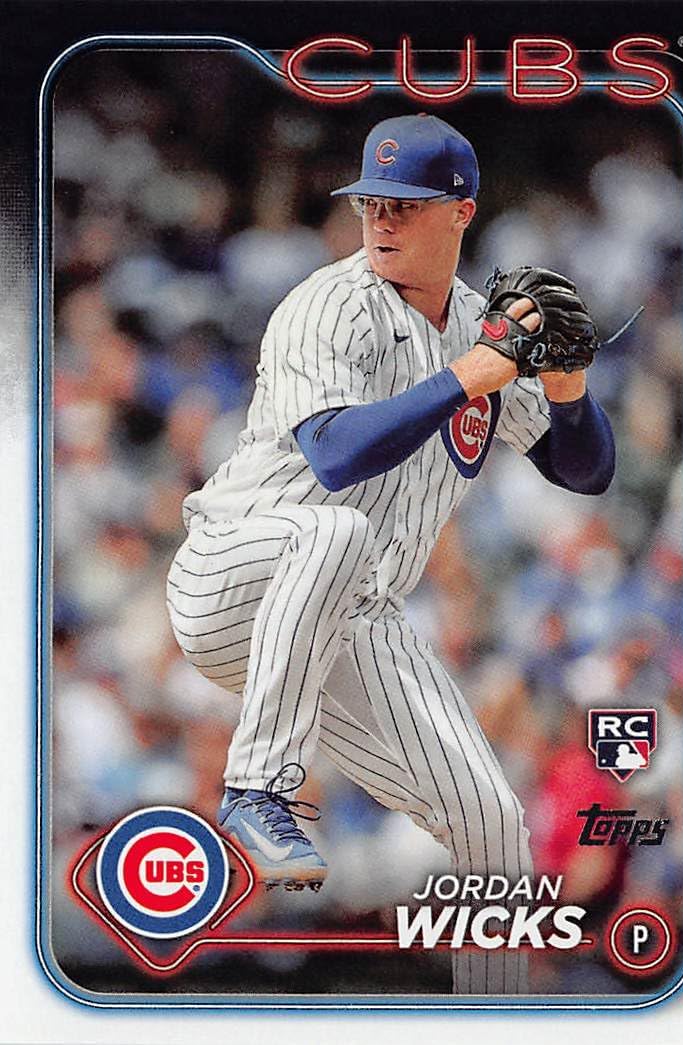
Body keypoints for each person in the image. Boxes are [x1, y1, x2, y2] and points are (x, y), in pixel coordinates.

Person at [166, 113, 614, 994]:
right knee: (336, 528)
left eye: (404, 205)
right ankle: (256, 790)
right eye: (372, 201)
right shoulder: (329, 304)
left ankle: (497, 1019)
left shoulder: (480, 325)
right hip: (233, 575)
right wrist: (467, 377)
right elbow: (335, 455)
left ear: (462, 211)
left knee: (491, 820)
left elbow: (584, 471)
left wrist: (569, 389)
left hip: (347, 617)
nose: (381, 219)